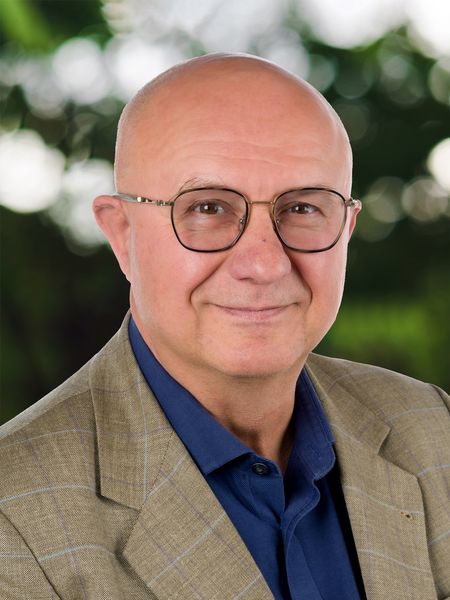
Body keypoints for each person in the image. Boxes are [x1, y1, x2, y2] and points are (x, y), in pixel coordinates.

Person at [0, 53, 448, 600]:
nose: (264, 263)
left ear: (346, 228)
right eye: (208, 208)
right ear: (122, 235)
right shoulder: (13, 520)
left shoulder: (433, 430)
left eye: (303, 208)